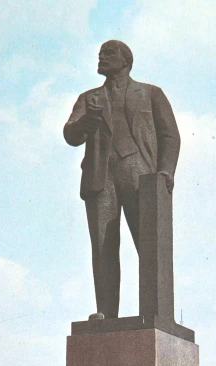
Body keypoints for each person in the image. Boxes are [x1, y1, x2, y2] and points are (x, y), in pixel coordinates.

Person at [64, 40, 180, 320]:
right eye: (100, 53)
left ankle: (156, 314)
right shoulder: (88, 98)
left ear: (126, 60)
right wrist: (88, 121)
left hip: (140, 174)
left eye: (108, 53)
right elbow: (71, 135)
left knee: (149, 243)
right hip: (100, 177)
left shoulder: (151, 94)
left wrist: (166, 172)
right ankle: (105, 312)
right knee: (103, 245)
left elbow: (170, 136)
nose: (101, 57)